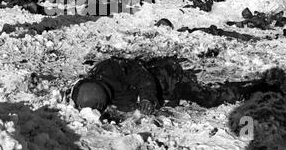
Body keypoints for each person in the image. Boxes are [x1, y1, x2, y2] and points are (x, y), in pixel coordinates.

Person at [70, 56, 286, 115]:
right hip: (160, 80)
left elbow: (143, 77)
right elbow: (75, 93)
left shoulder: (112, 68)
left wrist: (147, 98)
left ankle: (260, 87)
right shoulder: (88, 84)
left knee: (209, 98)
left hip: (168, 78)